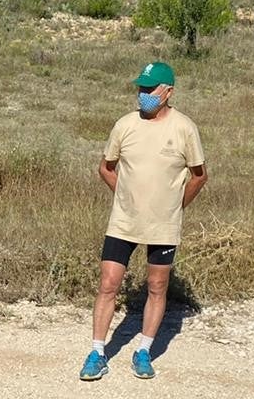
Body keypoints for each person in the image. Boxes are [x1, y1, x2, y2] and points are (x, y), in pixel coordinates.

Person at [80, 61, 207, 381]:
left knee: (157, 285)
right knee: (108, 283)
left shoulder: (184, 128)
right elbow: (106, 168)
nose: (143, 95)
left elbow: (199, 176)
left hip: (163, 224)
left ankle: (144, 351)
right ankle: (97, 352)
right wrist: (124, 196)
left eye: (149, 89)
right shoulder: (124, 125)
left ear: (168, 92)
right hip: (123, 221)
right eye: (140, 88)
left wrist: (176, 206)